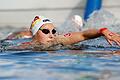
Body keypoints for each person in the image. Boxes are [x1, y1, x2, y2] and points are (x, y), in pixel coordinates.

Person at [6, 15, 120, 50]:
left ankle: (75, 25)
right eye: (46, 31)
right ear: (34, 33)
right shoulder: (23, 47)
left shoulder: (58, 39)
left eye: (53, 31)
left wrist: (102, 31)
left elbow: (83, 35)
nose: (51, 35)